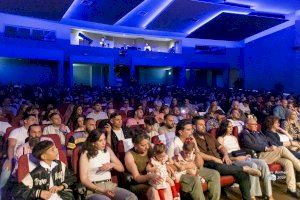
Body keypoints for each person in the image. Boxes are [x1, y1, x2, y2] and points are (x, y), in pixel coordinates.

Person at [192, 116, 259, 200]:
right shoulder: (192, 138)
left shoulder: (209, 136)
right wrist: (213, 159)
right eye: (201, 125)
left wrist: (225, 155)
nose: (204, 126)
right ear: (194, 127)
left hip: (220, 160)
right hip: (207, 163)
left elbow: (221, 147)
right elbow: (197, 153)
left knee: (243, 175)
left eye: (204, 124)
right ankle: (244, 168)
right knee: (218, 166)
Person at [240, 118, 300, 197]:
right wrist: (267, 148)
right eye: (254, 124)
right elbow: (250, 145)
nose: (256, 125)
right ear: (247, 125)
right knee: (282, 149)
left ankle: (291, 189)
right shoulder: (244, 134)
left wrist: (273, 145)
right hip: (260, 155)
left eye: (256, 124)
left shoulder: (258, 132)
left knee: (288, 162)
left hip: (270, 154)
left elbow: (268, 140)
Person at [217, 120, 273, 200]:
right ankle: (252, 195)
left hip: (241, 157)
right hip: (232, 160)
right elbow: (223, 156)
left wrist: (245, 155)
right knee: (252, 165)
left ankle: (269, 194)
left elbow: (239, 150)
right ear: (224, 127)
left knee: (262, 162)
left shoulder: (234, 137)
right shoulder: (220, 138)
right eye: (229, 127)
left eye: (232, 127)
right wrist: (236, 158)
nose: (231, 128)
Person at [168, 119, 221, 200]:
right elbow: (170, 166)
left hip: (193, 169)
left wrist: (195, 146)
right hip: (181, 174)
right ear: (180, 132)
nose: (191, 132)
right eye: (188, 130)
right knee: (195, 179)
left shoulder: (190, 142)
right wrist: (186, 166)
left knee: (215, 174)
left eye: (191, 129)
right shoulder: (173, 145)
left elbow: (200, 165)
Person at [79, 129, 137, 200]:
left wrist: (112, 164)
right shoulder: (85, 153)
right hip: (94, 189)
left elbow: (121, 168)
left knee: (131, 197)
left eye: (104, 139)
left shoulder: (108, 150)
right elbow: (83, 179)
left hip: (110, 186)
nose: (104, 143)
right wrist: (102, 191)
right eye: (100, 141)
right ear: (93, 142)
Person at [124, 134, 172, 199]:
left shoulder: (150, 148)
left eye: (147, 144)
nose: (147, 147)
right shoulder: (129, 156)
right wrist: (150, 176)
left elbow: (160, 157)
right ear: (135, 144)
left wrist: (165, 165)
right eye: (143, 145)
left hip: (154, 179)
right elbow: (137, 178)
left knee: (167, 185)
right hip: (139, 183)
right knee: (153, 191)